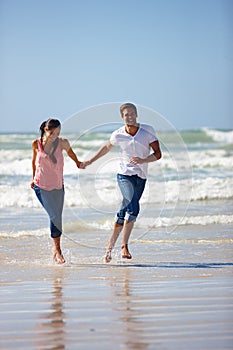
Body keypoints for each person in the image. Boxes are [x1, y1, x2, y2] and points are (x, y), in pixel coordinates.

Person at [85, 103, 162, 263]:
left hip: (141, 176)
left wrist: (143, 160)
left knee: (124, 210)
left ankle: (109, 247)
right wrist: (91, 160)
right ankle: (124, 246)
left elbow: (158, 154)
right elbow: (107, 147)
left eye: (132, 113)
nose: (130, 117)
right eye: (127, 114)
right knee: (133, 207)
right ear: (122, 117)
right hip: (124, 175)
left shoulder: (148, 130)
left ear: (137, 114)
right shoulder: (118, 134)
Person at [30, 118, 85, 264]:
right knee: (54, 215)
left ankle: (56, 249)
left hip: (58, 186)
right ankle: (58, 251)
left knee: (57, 219)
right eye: (53, 133)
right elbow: (34, 161)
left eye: (58, 133)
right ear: (46, 130)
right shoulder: (36, 143)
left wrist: (78, 162)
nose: (55, 136)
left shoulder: (63, 142)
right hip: (41, 186)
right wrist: (32, 178)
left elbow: (71, 153)